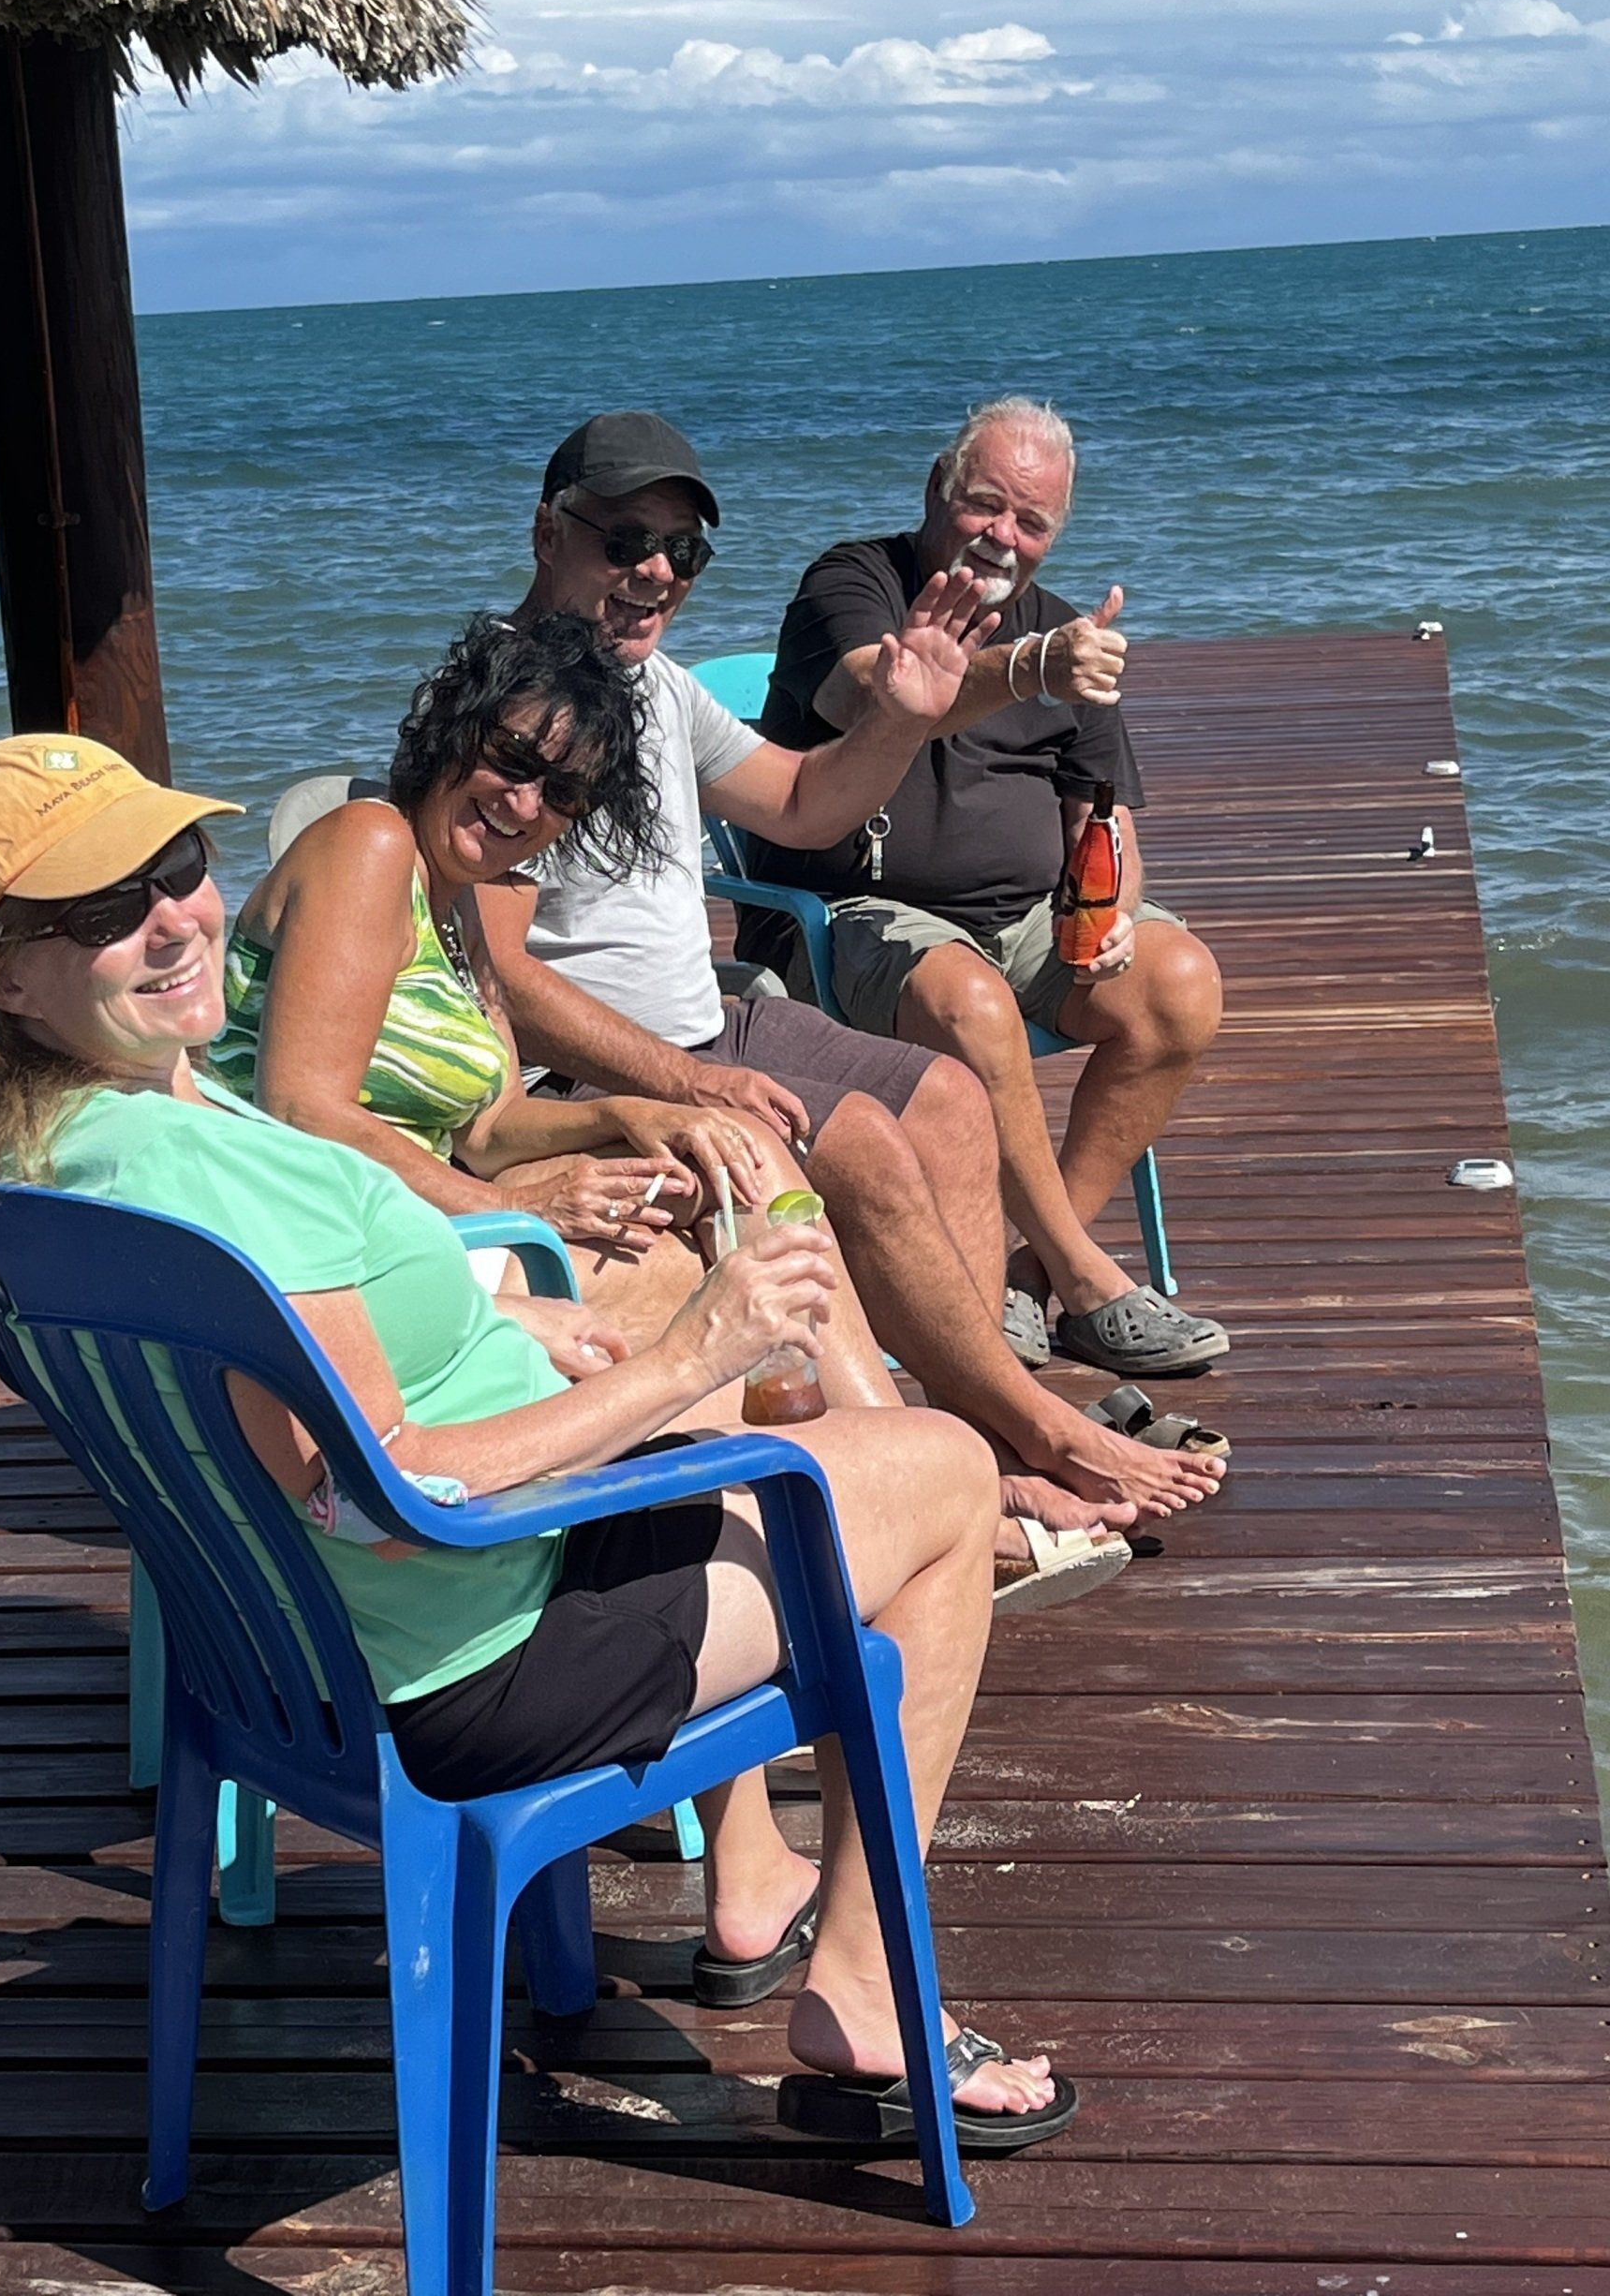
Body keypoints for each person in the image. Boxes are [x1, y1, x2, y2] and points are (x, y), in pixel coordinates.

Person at [0, 730, 1077, 2150]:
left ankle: (757, 1878)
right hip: (473, 1649)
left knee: (712, 1402)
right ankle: (867, 1984)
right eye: (101, 911)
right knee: (940, 1472)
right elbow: (380, 1491)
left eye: (180, 867)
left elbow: (309, 1384)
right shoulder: (197, 1177)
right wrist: (700, 1346)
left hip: (290, 1649)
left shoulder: (49, 1152)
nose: (173, 918)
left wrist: (514, 1324)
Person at [472, 412, 1227, 1551]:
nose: (656, 573)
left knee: (950, 1098)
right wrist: (681, 1079)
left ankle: (981, 1440)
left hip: (705, 1023)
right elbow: (499, 974)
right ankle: (1025, 1445)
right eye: (625, 539)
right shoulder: (501, 709)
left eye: (685, 551)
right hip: (592, 1068)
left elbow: (805, 802)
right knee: (868, 1138)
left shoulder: (655, 687)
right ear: (546, 531)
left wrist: (905, 717)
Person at [214, 609, 903, 1386]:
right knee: (698, 1282)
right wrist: (524, 1212)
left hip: (401, 1216)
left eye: (563, 791)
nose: (524, 802)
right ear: (454, 727)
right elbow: (302, 1110)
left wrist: (632, 1113)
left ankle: (881, 1448)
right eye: (512, 758)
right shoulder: (369, 847)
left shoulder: (458, 904)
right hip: (319, 1253)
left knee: (734, 1152)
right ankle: (884, 1464)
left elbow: (489, 1126)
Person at [742, 395, 1228, 1377]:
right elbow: (872, 695)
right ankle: (1089, 1279)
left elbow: (1103, 814)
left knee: (1180, 983)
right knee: (971, 999)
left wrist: (1116, 911)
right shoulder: (853, 582)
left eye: (1032, 520)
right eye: (984, 505)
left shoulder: (1068, 638)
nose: (1003, 534)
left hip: (1028, 920)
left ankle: (1032, 1276)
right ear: (935, 490)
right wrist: (1035, 666)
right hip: (851, 919)